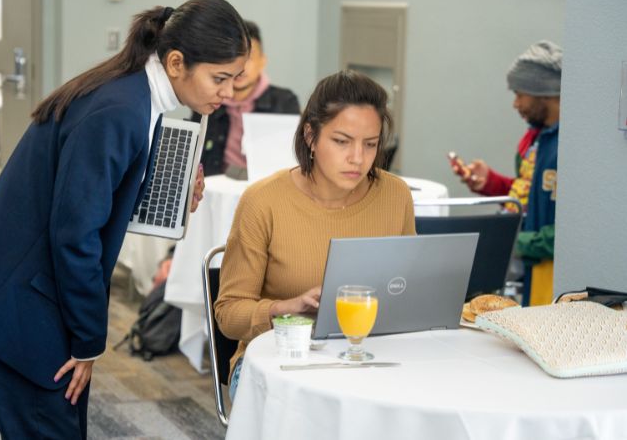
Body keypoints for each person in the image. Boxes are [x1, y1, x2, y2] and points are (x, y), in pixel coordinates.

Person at [0, 0, 250, 438]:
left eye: (236, 80)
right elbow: (75, 236)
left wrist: (168, 193)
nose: (229, 93)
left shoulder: (135, 93)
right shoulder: (118, 111)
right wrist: (88, 341)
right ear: (176, 62)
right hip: (24, 294)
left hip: (34, 282)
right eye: (220, 79)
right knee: (50, 427)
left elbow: (98, 199)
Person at [214, 70, 416, 399]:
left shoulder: (395, 195)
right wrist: (285, 308)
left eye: (370, 144)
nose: (357, 158)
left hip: (369, 362)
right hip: (278, 365)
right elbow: (228, 316)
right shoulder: (263, 201)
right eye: (341, 141)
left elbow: (408, 291)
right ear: (310, 135)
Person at [449, 40, 561, 306]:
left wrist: (516, 242)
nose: (515, 104)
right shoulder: (537, 139)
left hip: (548, 272)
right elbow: (530, 194)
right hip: (528, 267)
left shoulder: (567, 148)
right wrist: (491, 183)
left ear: (542, 91)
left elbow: (570, 228)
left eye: (520, 93)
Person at [191, 20, 300, 177]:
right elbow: (194, 154)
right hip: (213, 190)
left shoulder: (284, 101)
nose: (241, 67)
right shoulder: (208, 100)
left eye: (249, 57)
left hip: (263, 189)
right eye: (234, 57)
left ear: (263, 61)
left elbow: (291, 160)